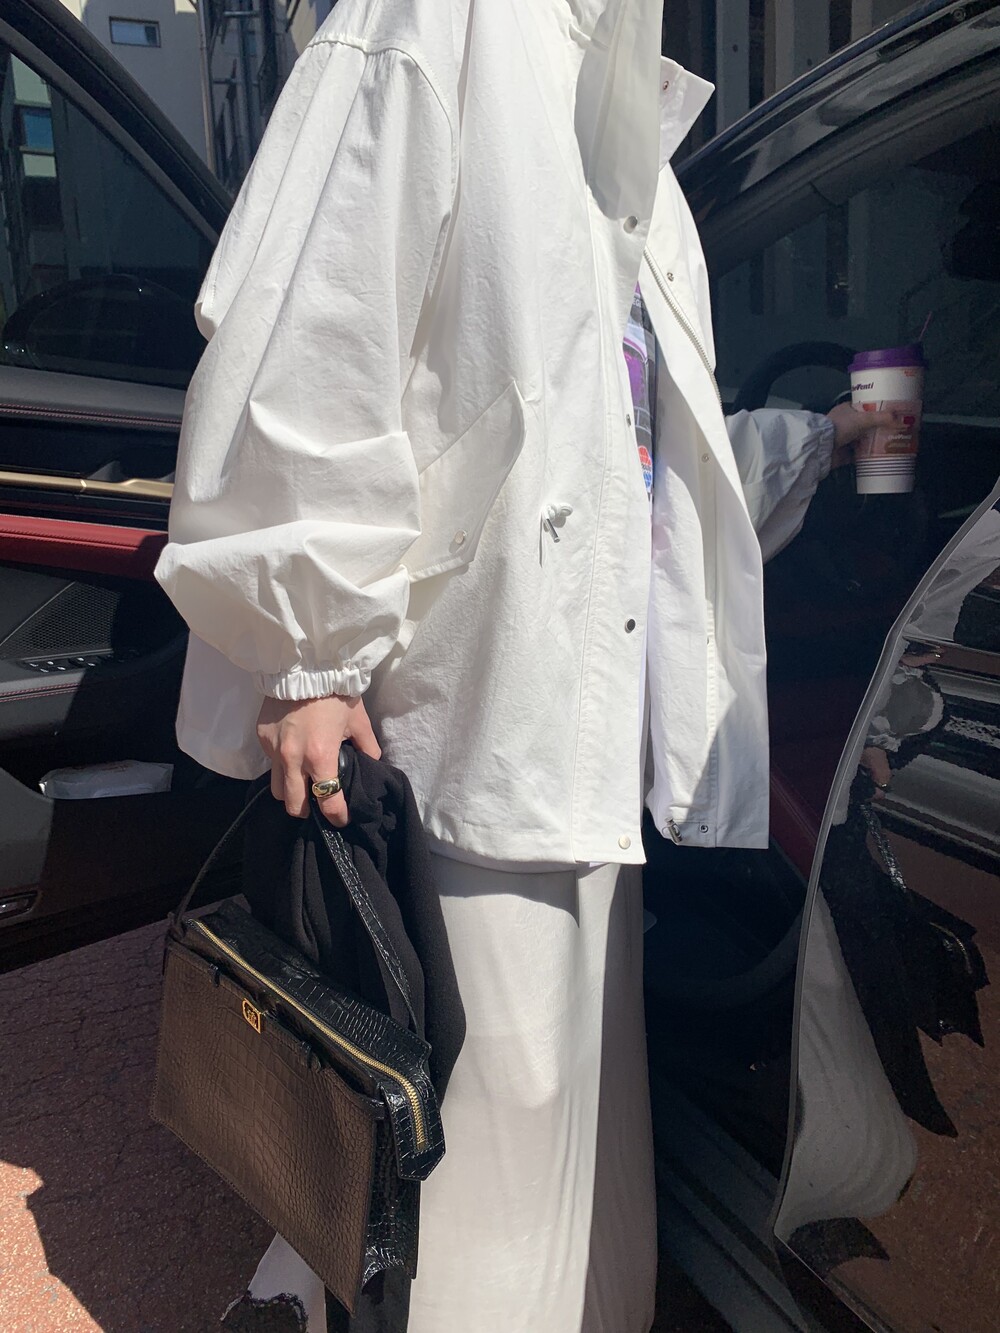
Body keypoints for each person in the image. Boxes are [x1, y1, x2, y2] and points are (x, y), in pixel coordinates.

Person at [154, 1, 898, 1329]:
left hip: (580, 736)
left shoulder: (607, 86)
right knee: (482, 1159)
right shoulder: (442, 20)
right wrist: (309, 657)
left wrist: (822, 438)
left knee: (574, 1157)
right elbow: (312, 327)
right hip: (467, 729)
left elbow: (631, 452)